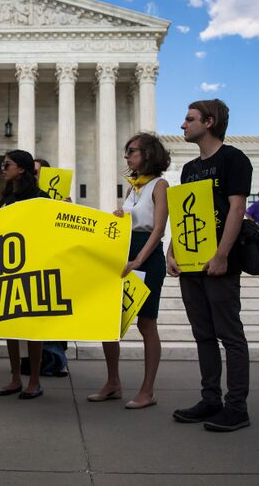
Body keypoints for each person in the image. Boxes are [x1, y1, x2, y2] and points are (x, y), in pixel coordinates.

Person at [168, 99, 253, 432]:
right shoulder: (189, 170)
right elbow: (182, 213)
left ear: (210, 121)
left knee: (230, 335)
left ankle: (237, 407)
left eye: (189, 119)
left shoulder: (233, 159)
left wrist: (222, 255)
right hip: (190, 261)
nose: (183, 125)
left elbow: (236, 209)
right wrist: (172, 251)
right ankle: (210, 399)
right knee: (202, 334)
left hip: (220, 263)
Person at [89, 132, 169, 409]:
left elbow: (158, 229)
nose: (127, 156)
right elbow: (129, 222)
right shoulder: (133, 187)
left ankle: (147, 390)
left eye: (132, 151)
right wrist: (119, 217)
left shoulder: (159, 185)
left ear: (147, 154)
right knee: (108, 322)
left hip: (147, 256)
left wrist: (138, 261)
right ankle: (113, 383)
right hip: (123, 254)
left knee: (147, 324)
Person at [0, 149, 50, 399]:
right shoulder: (8, 197)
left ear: (21, 168)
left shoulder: (40, 197)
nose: (2, 168)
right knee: (9, 325)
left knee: (32, 328)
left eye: (6, 164)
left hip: (32, 266)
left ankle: (34, 380)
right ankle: (15, 377)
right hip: (8, 267)